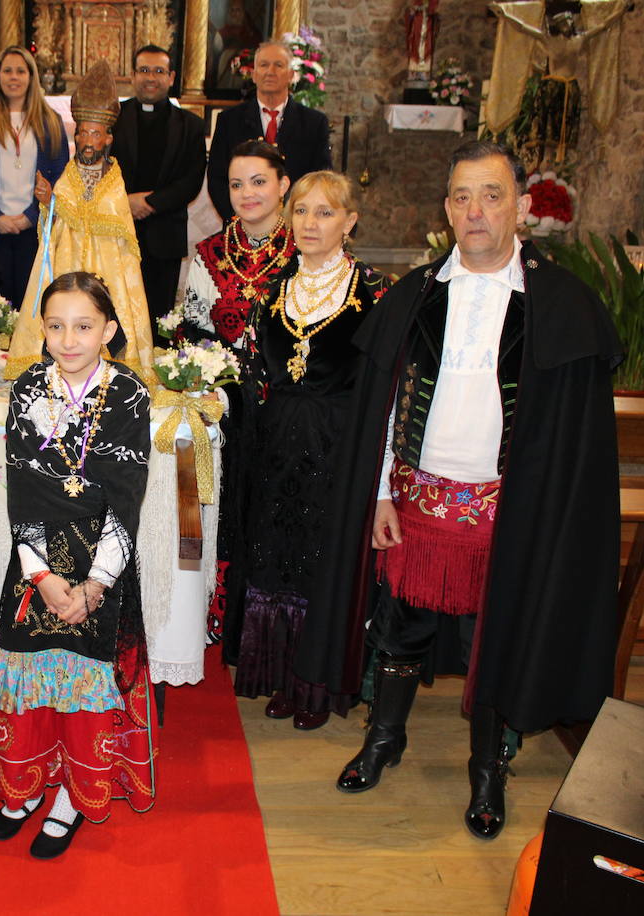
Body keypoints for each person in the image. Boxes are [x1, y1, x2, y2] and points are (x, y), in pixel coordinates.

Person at [301, 140, 620, 839]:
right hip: (418, 503)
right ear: (445, 209)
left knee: (492, 639)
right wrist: (382, 492)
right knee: (399, 629)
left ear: (522, 207)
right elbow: (384, 406)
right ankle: (385, 738)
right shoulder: (416, 294)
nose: (475, 211)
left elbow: (571, 443)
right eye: (461, 197)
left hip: (510, 514)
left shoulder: (562, 305)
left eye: (492, 195)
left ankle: (486, 770)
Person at [0, 271, 154, 860]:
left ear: (109, 330)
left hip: (103, 557)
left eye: (83, 326)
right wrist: (43, 577)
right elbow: (21, 493)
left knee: (83, 687)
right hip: (36, 558)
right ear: (41, 329)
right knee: (29, 678)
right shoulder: (27, 388)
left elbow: (127, 495)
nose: (68, 339)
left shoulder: (128, 392)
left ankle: (71, 799)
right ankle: (20, 787)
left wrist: (97, 583)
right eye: (55, 326)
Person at [231, 170, 389, 729]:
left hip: (339, 454)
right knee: (279, 561)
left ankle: (316, 683)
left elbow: (389, 390)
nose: (310, 223)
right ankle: (281, 675)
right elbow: (254, 376)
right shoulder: (272, 290)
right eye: (301, 211)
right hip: (277, 451)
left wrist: (384, 475)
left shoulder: (372, 293)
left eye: (325, 212)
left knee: (324, 566)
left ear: (349, 222)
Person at [169, 140, 297, 655]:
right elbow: (192, 333)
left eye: (259, 181)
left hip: (290, 410)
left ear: (283, 185)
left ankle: (273, 635)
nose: (247, 194)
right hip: (228, 412)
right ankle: (222, 618)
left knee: (276, 513)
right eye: (236, 184)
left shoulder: (307, 251)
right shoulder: (208, 254)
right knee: (227, 510)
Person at [4, 59, 156, 386]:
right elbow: (57, 221)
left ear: (107, 139)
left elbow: (115, 221)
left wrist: (70, 209)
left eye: (95, 134)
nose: (88, 140)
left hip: (109, 264)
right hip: (65, 261)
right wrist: (49, 204)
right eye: (83, 132)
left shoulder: (114, 181)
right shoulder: (68, 176)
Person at [0, 45, 69, 305]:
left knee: (30, 307)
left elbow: (61, 176)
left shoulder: (50, 120)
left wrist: (30, 217)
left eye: (21, 71)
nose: (13, 77)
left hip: (33, 231)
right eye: (7, 71)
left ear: (31, 77)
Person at [112, 44, 207, 336]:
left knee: (158, 319)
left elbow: (192, 179)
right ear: (132, 75)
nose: (150, 77)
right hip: (117, 230)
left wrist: (150, 202)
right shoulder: (112, 117)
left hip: (165, 233)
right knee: (114, 312)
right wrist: (124, 201)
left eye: (158, 71)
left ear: (171, 77)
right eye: (143, 70)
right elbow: (97, 168)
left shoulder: (190, 125)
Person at [207, 41, 332, 223]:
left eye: (278, 65)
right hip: (242, 225)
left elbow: (320, 177)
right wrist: (241, 218)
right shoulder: (229, 120)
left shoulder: (314, 123)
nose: (270, 72)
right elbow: (217, 177)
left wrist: (292, 218)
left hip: (295, 226)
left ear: (291, 75)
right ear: (254, 74)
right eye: (264, 65)